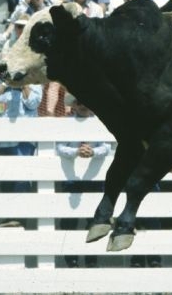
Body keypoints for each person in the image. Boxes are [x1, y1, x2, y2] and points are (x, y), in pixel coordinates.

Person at [57, 94, 111, 268]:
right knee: (70, 221)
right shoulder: (67, 123)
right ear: (74, 105)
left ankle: (91, 259)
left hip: (94, 178)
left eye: (86, 102)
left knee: (93, 220)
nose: (83, 106)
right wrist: (76, 152)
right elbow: (60, 147)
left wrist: (92, 152)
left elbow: (107, 146)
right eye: (79, 102)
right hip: (72, 179)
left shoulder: (100, 122)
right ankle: (71, 259)